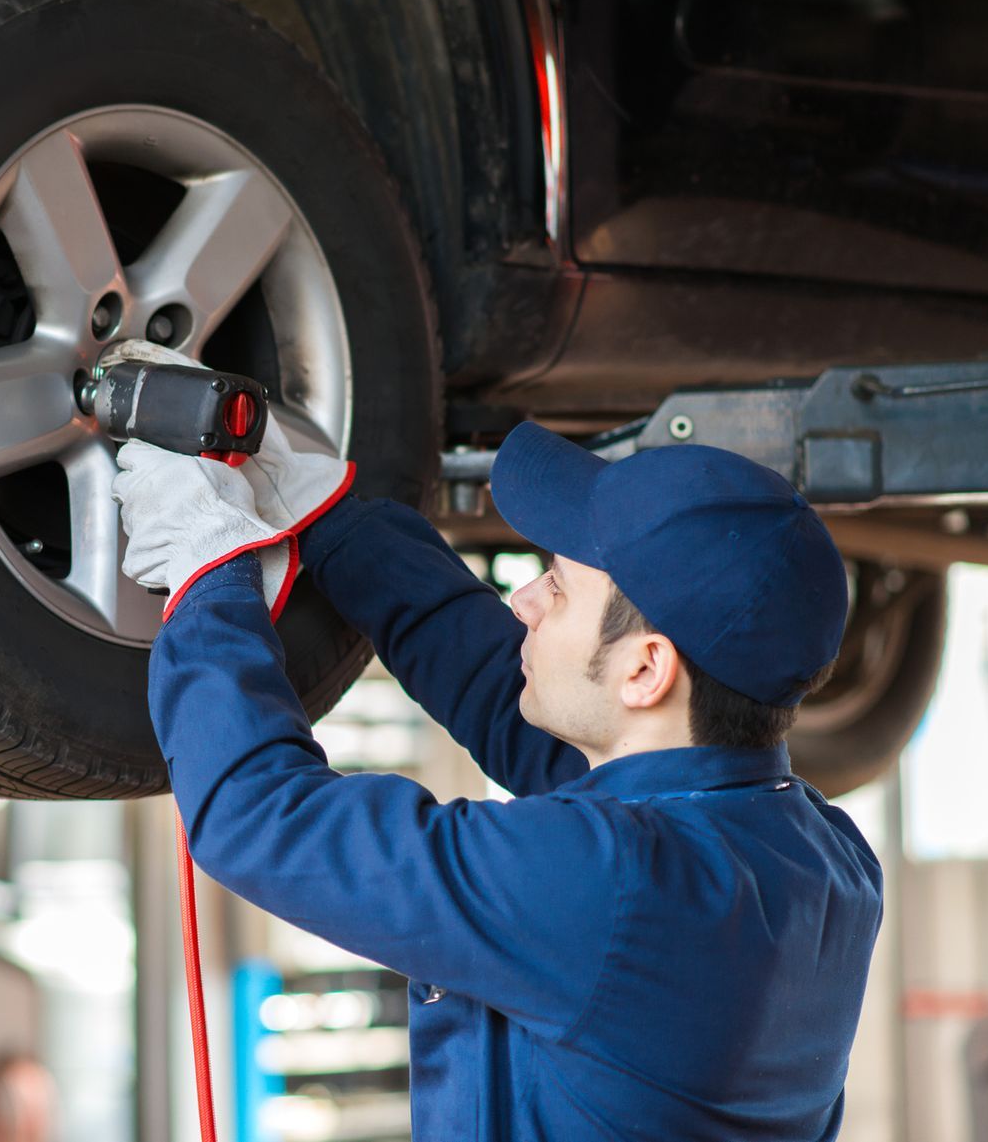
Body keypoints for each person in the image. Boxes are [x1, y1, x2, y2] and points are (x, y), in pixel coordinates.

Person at [111, 406, 884, 1140]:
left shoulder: (614, 886)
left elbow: (261, 819)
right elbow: (498, 692)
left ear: (647, 669)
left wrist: (207, 572)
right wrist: (333, 518)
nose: (523, 600)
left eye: (557, 582)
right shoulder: (819, 859)